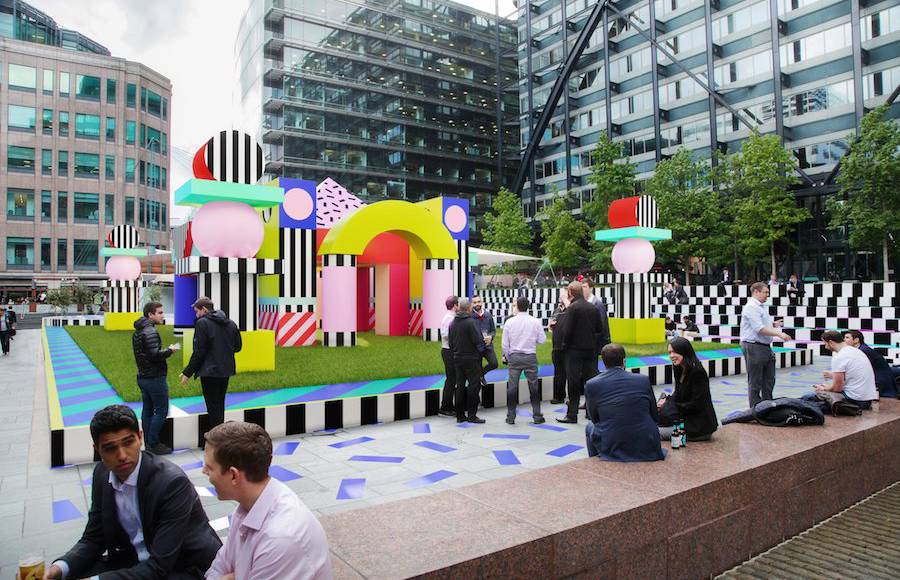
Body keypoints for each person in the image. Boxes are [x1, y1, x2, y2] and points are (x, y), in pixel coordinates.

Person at [46, 405, 221, 579]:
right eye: (110, 448)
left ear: (140, 438)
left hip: (183, 567)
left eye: (128, 442)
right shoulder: (102, 474)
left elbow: (160, 567)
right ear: (97, 450)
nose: (122, 455)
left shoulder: (171, 483)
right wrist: (60, 568)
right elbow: (94, 538)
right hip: (135, 561)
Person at [203, 422, 332, 580]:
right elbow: (217, 569)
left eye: (209, 468)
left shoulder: (280, 538)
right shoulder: (249, 506)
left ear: (234, 475)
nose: (204, 471)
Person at [584, 344, 665, 462]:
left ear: (604, 362)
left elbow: (594, 418)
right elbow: (654, 415)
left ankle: (596, 462)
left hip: (613, 443)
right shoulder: (642, 380)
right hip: (647, 443)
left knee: (589, 426)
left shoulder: (592, 384)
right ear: (624, 361)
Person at [180, 297, 242, 435]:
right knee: (220, 403)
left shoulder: (202, 323)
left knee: (212, 406)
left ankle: (216, 438)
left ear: (204, 309)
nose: (196, 315)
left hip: (209, 372)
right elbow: (238, 347)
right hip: (225, 370)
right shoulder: (231, 323)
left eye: (197, 311)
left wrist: (187, 372)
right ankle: (220, 435)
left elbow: (199, 352)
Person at [132, 301, 180, 455]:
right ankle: (153, 443)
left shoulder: (139, 330)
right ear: (150, 314)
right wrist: (170, 351)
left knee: (147, 410)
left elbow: (146, 354)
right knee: (161, 410)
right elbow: (154, 355)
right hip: (155, 377)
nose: (162, 315)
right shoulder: (150, 331)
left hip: (143, 376)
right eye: (159, 312)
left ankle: (148, 442)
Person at [740, 282, 791, 407]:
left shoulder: (760, 306)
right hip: (754, 345)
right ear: (756, 292)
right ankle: (756, 409)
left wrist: (773, 324)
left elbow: (761, 324)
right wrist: (779, 333)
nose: (767, 295)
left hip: (763, 346)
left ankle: (767, 405)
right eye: (765, 292)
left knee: (769, 379)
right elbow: (759, 328)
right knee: (756, 380)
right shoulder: (751, 307)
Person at [657, 337, 718, 441]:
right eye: (669, 352)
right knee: (652, 423)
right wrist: (666, 401)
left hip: (698, 426)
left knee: (654, 432)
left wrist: (670, 406)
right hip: (686, 419)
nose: (671, 356)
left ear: (684, 351)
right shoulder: (679, 368)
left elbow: (697, 404)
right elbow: (678, 393)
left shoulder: (697, 372)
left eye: (674, 352)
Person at [558, 281, 603, 424]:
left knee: (573, 382)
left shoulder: (572, 308)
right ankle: (591, 412)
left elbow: (567, 331)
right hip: (590, 349)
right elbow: (599, 328)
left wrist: (564, 345)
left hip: (574, 350)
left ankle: (572, 414)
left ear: (570, 293)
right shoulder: (593, 307)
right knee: (590, 380)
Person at [501, 296, 547, 425]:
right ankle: (537, 415)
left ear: (517, 306)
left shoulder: (510, 322)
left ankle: (511, 416)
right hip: (530, 356)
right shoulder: (535, 321)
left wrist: (508, 356)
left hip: (514, 357)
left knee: (512, 387)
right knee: (534, 387)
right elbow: (542, 340)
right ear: (528, 306)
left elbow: (505, 344)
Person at [815, 330, 878, 409]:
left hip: (854, 400)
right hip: (867, 400)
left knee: (809, 398)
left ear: (830, 342)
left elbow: (837, 388)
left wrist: (824, 389)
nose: (825, 347)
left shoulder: (839, 357)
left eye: (825, 344)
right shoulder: (856, 351)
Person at [448, 297, 487, 423]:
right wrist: (482, 349)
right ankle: (472, 415)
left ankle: (460, 416)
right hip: (471, 359)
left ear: (459, 308)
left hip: (457, 358)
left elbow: (450, 342)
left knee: (460, 386)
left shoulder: (453, 323)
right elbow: (478, 340)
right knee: (474, 386)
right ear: (469, 308)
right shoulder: (471, 322)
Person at [844, 330, 898, 398]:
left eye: (847, 337)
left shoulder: (863, 351)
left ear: (856, 340)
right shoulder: (861, 349)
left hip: (880, 381)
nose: (844, 340)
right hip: (877, 378)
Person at [438, 295, 460, 417]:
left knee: (453, 379)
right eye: (458, 304)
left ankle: (449, 406)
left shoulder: (451, 317)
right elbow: (445, 334)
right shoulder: (449, 318)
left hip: (450, 350)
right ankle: (445, 407)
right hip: (448, 351)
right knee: (451, 379)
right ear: (455, 305)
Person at [470, 296, 498, 387]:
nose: (477, 304)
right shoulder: (469, 316)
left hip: (487, 346)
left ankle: (481, 374)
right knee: (477, 369)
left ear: (481, 302)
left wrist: (491, 337)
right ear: (471, 304)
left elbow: (493, 330)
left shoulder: (488, 315)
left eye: (478, 302)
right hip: (476, 348)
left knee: (494, 363)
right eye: (474, 302)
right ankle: (479, 378)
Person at [549, 295, 570, 404]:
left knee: (570, 373)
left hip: (568, 347)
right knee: (558, 373)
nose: (561, 298)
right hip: (556, 346)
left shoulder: (571, 310)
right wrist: (551, 326)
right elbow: (551, 324)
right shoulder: (556, 310)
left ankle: (572, 398)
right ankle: (559, 396)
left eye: (563, 296)